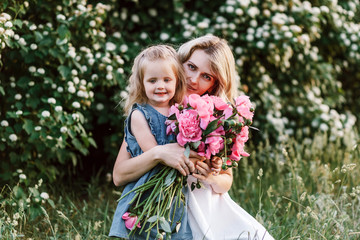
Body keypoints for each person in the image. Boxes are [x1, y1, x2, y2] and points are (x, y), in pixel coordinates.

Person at [111, 35, 274, 240]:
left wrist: (210, 174)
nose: (194, 79)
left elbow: (226, 182)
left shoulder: (214, 116)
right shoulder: (154, 108)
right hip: (167, 203)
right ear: (180, 62)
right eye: (191, 67)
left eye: (207, 76)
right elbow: (119, 175)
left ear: (216, 83)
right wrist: (160, 153)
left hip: (205, 203)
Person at [109, 44, 193, 239]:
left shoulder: (180, 111)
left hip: (171, 192)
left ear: (177, 81)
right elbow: (154, 152)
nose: (160, 86)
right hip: (147, 189)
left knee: (171, 229)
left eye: (166, 80)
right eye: (152, 80)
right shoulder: (139, 115)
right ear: (142, 83)